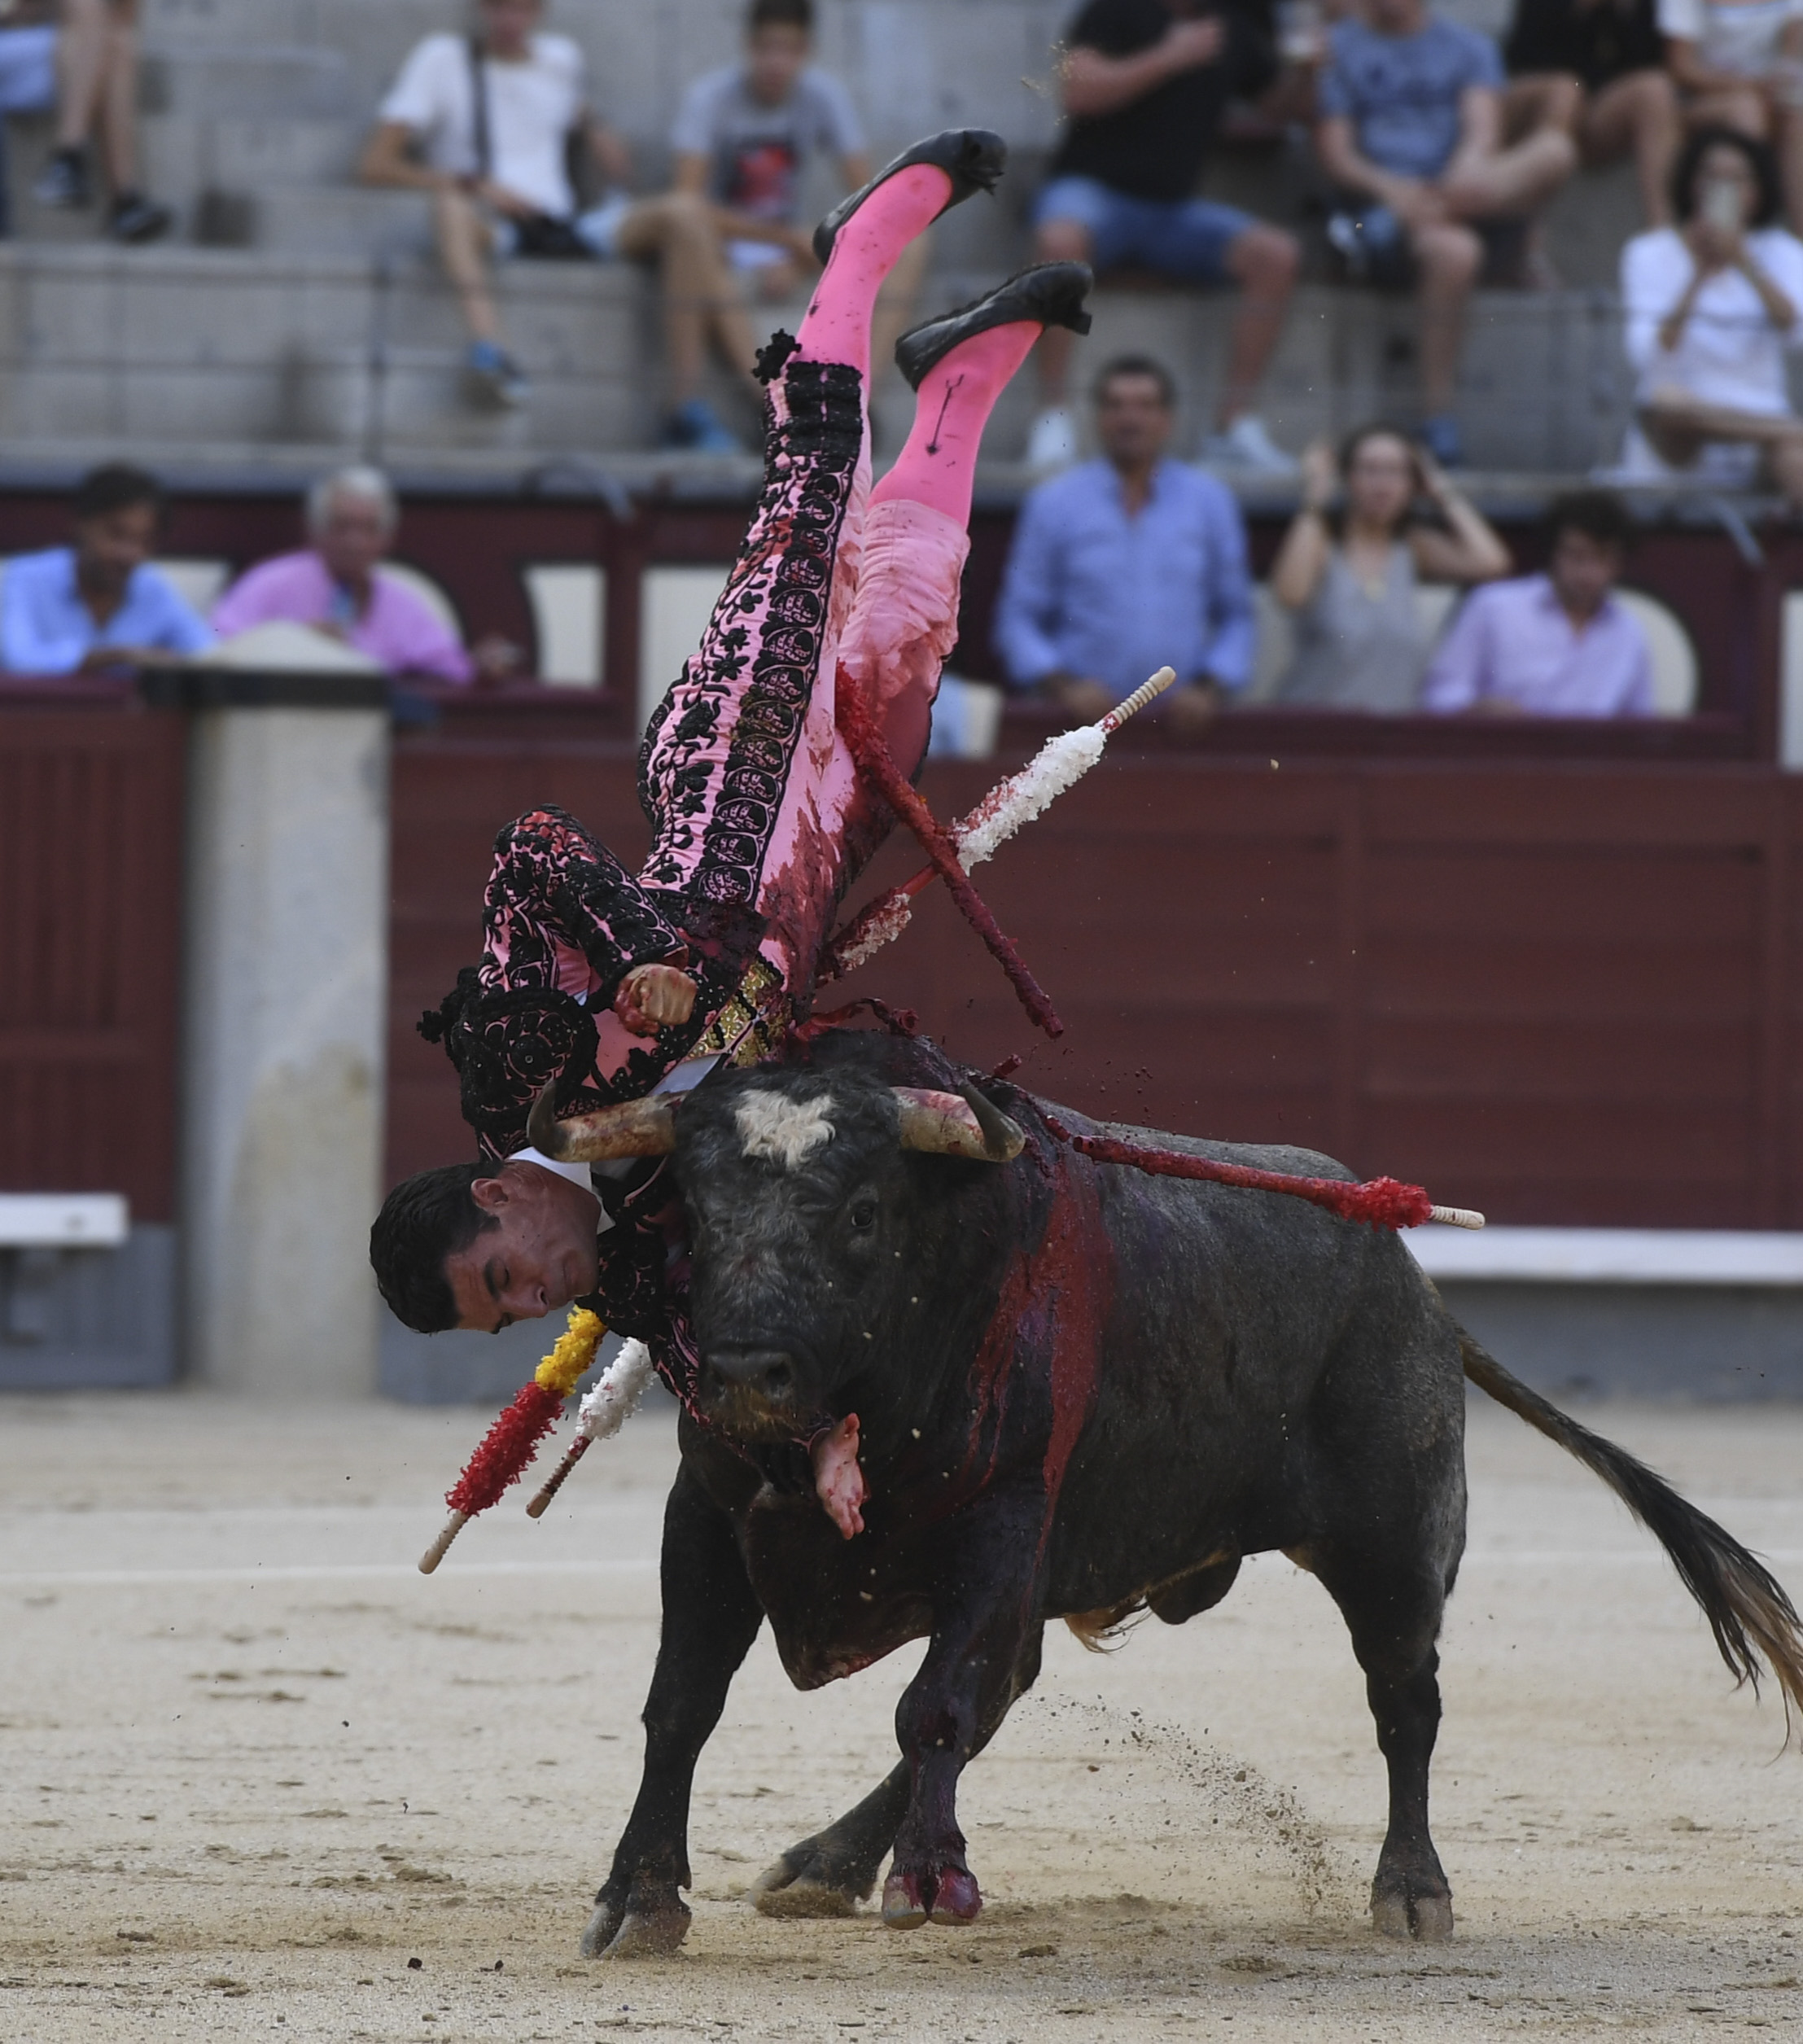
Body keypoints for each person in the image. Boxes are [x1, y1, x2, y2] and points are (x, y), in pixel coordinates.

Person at [367, 130, 1092, 1365]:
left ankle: (853, 250)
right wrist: (819, 1447)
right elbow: (717, 1356)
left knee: (814, 498)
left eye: (503, 1280)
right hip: (805, 885)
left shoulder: (507, 1073)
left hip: (728, 783)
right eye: (512, 1317)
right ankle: (960, 377)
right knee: (912, 628)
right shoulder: (640, 1244)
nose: (539, 1303)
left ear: (497, 1191)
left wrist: (639, 953)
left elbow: (527, 849)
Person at [360, 0, 763, 446]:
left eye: (522, 8)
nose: (510, 19)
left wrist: (597, 130)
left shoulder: (560, 58)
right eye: (499, 7)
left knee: (686, 214)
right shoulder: (442, 57)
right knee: (449, 206)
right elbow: (376, 164)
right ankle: (492, 352)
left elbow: (571, 121)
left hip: (566, 222)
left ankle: (685, 407)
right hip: (494, 222)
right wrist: (473, 184)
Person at [1025, 0, 1301, 475]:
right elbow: (1077, 90)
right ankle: (1052, 418)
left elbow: (1283, 107)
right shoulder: (1115, 11)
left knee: (1275, 256)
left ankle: (1233, 427)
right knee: (1058, 241)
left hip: (1172, 210)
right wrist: (1170, 56)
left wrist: (1307, 68)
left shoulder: (1234, 24)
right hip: (1094, 193)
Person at [1314, 0, 1578, 466]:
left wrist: (1454, 183)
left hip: (1458, 194)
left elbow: (1482, 134)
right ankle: (1437, 416)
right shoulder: (1335, 48)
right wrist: (1393, 191)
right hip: (1373, 204)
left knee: (1556, 149)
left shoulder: (1468, 47)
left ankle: (1421, 216)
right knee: (1455, 251)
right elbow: (1338, 157)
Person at [672, 0, 926, 400]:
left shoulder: (823, 96)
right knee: (688, 228)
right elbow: (686, 203)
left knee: (911, 240)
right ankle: (771, 405)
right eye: (767, 48)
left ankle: (859, 398)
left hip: (789, 243)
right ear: (748, 46)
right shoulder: (711, 98)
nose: (777, 62)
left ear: (807, 51)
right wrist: (786, 242)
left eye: (789, 50)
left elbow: (873, 197)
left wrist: (799, 255)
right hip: (725, 244)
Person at [995, 353, 1253, 737]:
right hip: (1076, 725)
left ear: (1167, 420)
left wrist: (1210, 687)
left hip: (1181, 725)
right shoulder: (1053, 502)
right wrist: (1064, 687)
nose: (1130, 420)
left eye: (1145, 406)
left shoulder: (1210, 501)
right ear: (1098, 417)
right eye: (1116, 406)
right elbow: (1018, 618)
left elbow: (1238, 615)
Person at [1618, 125, 1803, 500]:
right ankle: (1786, 431)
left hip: (1762, 423)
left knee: (1795, 461)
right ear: (1691, 183)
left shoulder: (1782, 252)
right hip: (1681, 429)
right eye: (1712, 176)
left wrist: (1743, 262)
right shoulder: (1647, 252)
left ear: (1757, 189)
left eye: (1737, 178)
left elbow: (1795, 331)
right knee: (1667, 401)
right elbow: (1649, 353)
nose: (1724, 188)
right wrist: (1699, 275)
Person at [1267, 423, 1509, 710]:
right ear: (1346, 478)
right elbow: (1289, 593)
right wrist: (1315, 498)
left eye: (1396, 471)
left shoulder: (1413, 548)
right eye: (1369, 470)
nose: (1382, 484)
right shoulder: (1321, 543)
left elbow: (1492, 563)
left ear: (1414, 483)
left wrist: (1441, 489)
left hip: (1389, 740)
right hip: (1312, 733)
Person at [209, 466, 511, 684]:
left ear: (387, 539)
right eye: (342, 526)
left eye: (369, 529)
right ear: (315, 530)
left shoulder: (401, 602)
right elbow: (214, 647)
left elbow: (451, 666)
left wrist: (481, 664)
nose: (355, 543)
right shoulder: (270, 583)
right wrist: (292, 644)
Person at [1421, 489, 1653, 716]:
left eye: (1601, 558)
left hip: (1592, 754)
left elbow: (1639, 728)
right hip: (1503, 749)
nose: (1587, 572)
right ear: (1553, 553)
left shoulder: (1628, 633)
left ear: (1619, 563)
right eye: (1576, 555)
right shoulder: (1494, 607)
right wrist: (1475, 708)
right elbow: (1440, 693)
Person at [0, 462, 210, 673]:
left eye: (144, 541)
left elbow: (208, 656)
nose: (128, 554)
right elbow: (16, 659)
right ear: (81, 524)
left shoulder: (152, 587)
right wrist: (113, 657)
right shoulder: (24, 578)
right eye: (116, 534)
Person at [0, 0, 168, 241]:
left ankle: (117, 193)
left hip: (26, 45)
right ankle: (79, 165)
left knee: (117, 40)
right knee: (91, 16)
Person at [1501, 0, 1679, 225]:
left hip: (1599, 111)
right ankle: (1532, 230)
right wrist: (1579, 12)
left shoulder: (1640, 8)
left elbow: (1646, 65)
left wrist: (1625, 14)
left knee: (1655, 88)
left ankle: (1662, 232)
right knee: (1565, 90)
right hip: (1546, 105)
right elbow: (1523, 61)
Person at [1660, 0, 1803, 231]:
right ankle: (1732, 231)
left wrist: (1782, 81)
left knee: (1796, 113)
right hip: (1699, 103)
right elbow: (1681, 68)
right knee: (1746, 109)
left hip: (1767, 98)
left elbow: (1792, 55)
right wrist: (1752, 86)